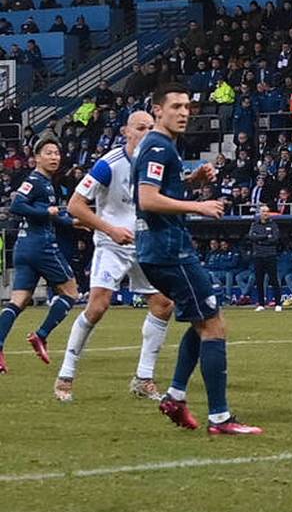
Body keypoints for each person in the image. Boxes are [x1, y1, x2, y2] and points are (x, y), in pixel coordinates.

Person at [133, 83, 260, 435]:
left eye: (187, 106)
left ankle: (175, 396)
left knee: (201, 320)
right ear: (158, 110)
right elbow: (148, 199)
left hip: (162, 248)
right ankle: (219, 417)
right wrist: (198, 205)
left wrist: (190, 181)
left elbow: (160, 192)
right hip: (169, 250)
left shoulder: (162, 148)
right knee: (213, 325)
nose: (184, 112)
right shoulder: (158, 146)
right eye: (175, 106)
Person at [58, 111, 175, 402]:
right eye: (140, 127)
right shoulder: (108, 164)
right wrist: (110, 230)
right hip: (112, 243)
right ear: (126, 131)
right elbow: (75, 205)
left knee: (163, 304)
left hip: (145, 240)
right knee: (98, 306)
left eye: (151, 127)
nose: (146, 132)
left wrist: (194, 180)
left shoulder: (158, 160)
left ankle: (144, 378)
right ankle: (66, 375)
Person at [0, 135, 79, 374]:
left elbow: (51, 215)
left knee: (19, 301)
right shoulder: (34, 180)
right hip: (41, 245)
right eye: (49, 153)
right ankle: (41, 335)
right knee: (71, 292)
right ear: (36, 158)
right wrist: (46, 211)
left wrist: (73, 221)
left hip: (25, 248)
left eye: (57, 153)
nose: (54, 157)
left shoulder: (46, 183)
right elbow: (17, 205)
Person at [247, 205, 283, 311]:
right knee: (259, 280)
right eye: (263, 211)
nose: (265, 213)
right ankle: (261, 304)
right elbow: (251, 237)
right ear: (260, 213)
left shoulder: (273, 224)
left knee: (274, 280)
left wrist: (259, 239)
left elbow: (275, 239)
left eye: (267, 211)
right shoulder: (254, 224)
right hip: (258, 255)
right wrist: (266, 236)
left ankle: (278, 304)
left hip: (270, 255)